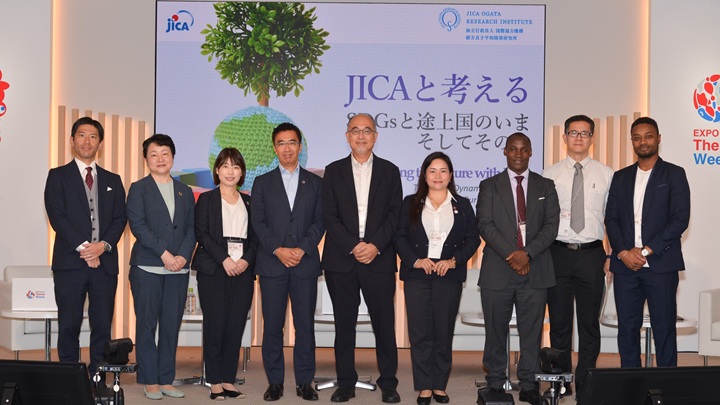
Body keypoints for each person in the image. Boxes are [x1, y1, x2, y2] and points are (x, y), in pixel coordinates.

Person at [322, 113, 402, 404]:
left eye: (367, 130)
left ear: (375, 137)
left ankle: (389, 383)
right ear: (347, 136)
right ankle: (345, 383)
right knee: (344, 326)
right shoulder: (333, 171)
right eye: (355, 130)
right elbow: (329, 215)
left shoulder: (390, 171)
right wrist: (354, 245)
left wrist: (375, 245)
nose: (361, 135)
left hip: (378, 260)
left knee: (384, 325)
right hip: (341, 260)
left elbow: (395, 214)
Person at [475, 132, 559, 405]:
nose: (519, 154)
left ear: (531, 152)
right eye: (513, 149)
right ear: (505, 151)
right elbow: (484, 223)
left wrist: (527, 254)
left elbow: (551, 226)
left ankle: (529, 384)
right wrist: (513, 255)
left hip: (535, 268)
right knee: (495, 331)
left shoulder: (546, 186)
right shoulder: (489, 185)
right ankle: (496, 382)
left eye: (524, 149)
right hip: (498, 269)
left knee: (531, 332)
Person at [44, 116, 127, 382]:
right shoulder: (57, 176)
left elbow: (120, 219)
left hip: (105, 264)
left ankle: (97, 378)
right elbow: (57, 216)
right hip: (70, 263)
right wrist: (85, 248)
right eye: (81, 135)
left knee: (102, 325)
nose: (87, 141)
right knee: (69, 324)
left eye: (93, 136)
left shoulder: (113, 179)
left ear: (100, 143)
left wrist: (102, 246)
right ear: (72, 140)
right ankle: (70, 379)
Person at [395, 152, 480, 405]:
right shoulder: (410, 203)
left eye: (443, 171)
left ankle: (439, 384)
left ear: (450, 175)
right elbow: (399, 237)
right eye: (432, 171)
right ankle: (424, 386)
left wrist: (453, 261)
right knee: (420, 332)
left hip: (448, 275)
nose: (438, 176)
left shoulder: (462, 205)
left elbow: (473, 239)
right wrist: (415, 260)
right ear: (424, 175)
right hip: (417, 275)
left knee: (443, 331)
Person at [605, 117, 690, 367]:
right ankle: (632, 383)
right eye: (637, 137)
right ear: (632, 141)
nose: (643, 142)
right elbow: (611, 219)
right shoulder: (620, 177)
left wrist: (645, 251)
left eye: (648, 136)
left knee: (664, 329)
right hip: (625, 268)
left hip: (661, 265)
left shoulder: (674, 174)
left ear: (658, 138)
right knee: (627, 330)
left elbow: (680, 219)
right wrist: (622, 252)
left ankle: (666, 385)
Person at [251, 123, 325, 402]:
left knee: (305, 327)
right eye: (281, 143)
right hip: (272, 264)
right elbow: (258, 222)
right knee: (272, 327)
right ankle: (275, 382)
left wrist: (303, 249)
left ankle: (305, 382)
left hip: (305, 264)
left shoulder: (316, 182)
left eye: (292, 142)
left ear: (299, 146)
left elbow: (320, 221)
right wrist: (278, 250)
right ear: (274, 148)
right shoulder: (262, 182)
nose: (287, 148)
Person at [541, 115, 614, 398]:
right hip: (557, 253)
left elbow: (613, 219)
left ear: (592, 138)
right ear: (565, 137)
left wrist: (612, 255)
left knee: (588, 324)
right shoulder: (549, 175)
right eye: (573, 132)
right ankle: (561, 382)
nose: (579, 138)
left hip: (591, 255)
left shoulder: (607, 175)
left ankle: (586, 382)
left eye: (585, 133)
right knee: (559, 324)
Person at [126, 134, 196, 400]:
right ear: (146, 159)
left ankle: (166, 378)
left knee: (170, 325)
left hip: (179, 269)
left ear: (173, 157)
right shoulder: (138, 188)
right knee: (146, 325)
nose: (160, 159)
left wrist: (183, 256)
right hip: (147, 267)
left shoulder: (185, 191)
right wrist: (165, 254)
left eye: (165, 153)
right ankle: (150, 380)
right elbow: (138, 226)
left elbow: (192, 228)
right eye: (153, 154)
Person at [192, 147, 256, 400]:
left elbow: (257, 238)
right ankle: (214, 381)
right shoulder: (206, 199)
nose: (231, 171)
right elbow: (202, 234)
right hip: (214, 268)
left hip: (243, 270)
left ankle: (229, 379)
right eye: (226, 166)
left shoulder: (249, 201)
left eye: (236, 167)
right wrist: (225, 260)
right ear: (217, 170)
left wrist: (246, 261)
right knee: (215, 324)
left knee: (235, 325)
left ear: (242, 173)